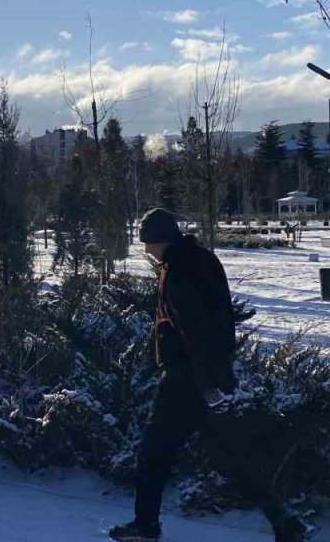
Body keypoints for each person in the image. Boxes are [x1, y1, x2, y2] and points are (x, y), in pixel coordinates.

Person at [108, 208, 236, 542]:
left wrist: (204, 383)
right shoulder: (203, 259)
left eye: (148, 244)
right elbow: (222, 317)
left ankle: (145, 526)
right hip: (210, 374)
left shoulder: (178, 272)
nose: (147, 251)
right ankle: (285, 521)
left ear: (160, 239)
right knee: (230, 452)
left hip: (186, 380)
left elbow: (192, 330)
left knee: (153, 454)